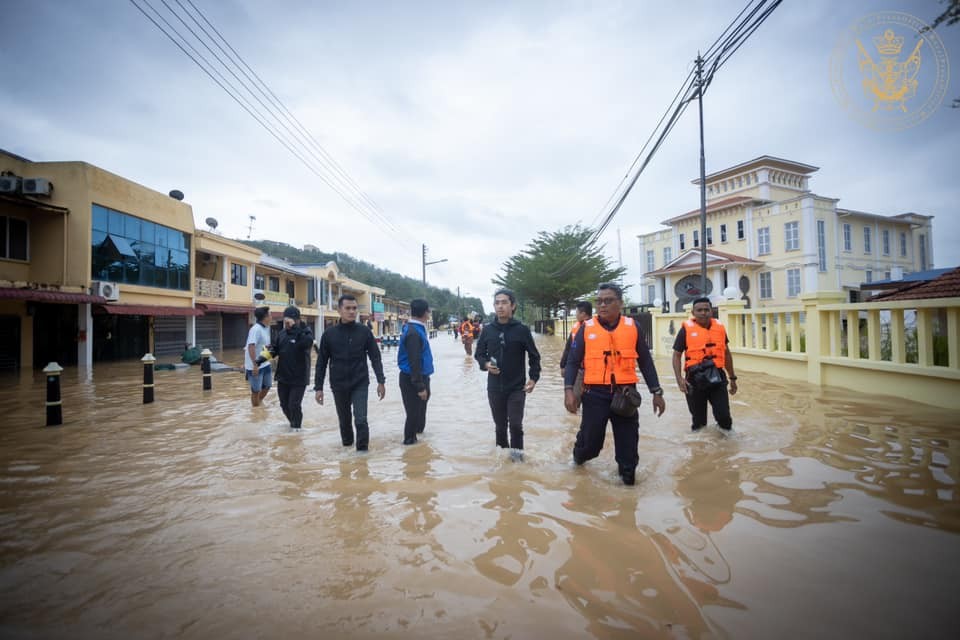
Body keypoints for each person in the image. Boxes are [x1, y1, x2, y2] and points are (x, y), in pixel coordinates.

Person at [563, 283, 666, 486]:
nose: (602, 305)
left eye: (608, 300)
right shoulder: (586, 329)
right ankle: (577, 458)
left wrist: (657, 391)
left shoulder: (633, 327)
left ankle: (627, 493)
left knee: (628, 454)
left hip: (626, 395)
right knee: (591, 445)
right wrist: (569, 391)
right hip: (594, 395)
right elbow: (573, 361)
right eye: (599, 301)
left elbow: (645, 361)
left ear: (619, 303)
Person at [475, 288, 541, 461]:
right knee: (500, 426)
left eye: (504, 302)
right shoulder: (488, 330)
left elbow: (534, 357)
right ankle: (502, 461)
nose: (500, 306)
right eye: (497, 303)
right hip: (495, 387)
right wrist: (486, 364)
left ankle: (517, 460)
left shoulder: (522, 330)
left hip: (517, 387)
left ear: (513, 306)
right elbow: (479, 354)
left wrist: (533, 378)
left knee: (516, 426)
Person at [314, 294, 387, 451]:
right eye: (348, 308)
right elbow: (321, 363)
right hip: (338, 384)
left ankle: (362, 455)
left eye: (354, 308)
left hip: (360, 382)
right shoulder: (329, 334)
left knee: (361, 419)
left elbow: (375, 357)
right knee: (344, 420)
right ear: (339, 310)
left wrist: (381, 381)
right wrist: (318, 387)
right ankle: (347, 452)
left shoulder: (364, 332)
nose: (352, 311)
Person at [671, 297, 738, 432]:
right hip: (694, 378)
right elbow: (676, 355)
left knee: (724, 417)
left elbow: (726, 353)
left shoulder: (719, 328)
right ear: (693, 312)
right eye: (699, 310)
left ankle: (727, 447)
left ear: (711, 311)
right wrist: (679, 379)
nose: (703, 313)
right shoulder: (685, 330)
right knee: (699, 422)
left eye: (706, 310)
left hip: (717, 377)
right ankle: (699, 450)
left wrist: (732, 378)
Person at [397, 298, 434, 445]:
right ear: (426, 313)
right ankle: (409, 443)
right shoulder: (413, 332)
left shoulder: (416, 328)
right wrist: (419, 386)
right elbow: (414, 361)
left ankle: (419, 446)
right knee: (413, 413)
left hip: (419, 376)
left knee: (419, 412)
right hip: (413, 378)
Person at [273, 305, 314, 430]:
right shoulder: (281, 334)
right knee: (284, 404)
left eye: (289, 321)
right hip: (283, 375)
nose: (286, 324)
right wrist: (261, 359)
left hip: (299, 377)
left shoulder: (305, 332)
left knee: (294, 404)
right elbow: (275, 349)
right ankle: (294, 425)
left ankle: (297, 429)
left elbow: (307, 343)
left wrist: (295, 328)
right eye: (285, 321)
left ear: (297, 320)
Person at [559, 301, 593, 398]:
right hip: (578, 369)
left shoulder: (597, 327)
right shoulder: (576, 327)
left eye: (577, 312)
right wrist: (563, 365)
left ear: (583, 314)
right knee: (574, 399)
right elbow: (568, 348)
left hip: (592, 371)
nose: (576, 315)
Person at [244, 306, 273, 407]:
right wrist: (255, 365)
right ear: (265, 317)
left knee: (268, 385)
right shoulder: (255, 329)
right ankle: (255, 410)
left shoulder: (266, 328)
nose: (272, 316)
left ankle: (258, 405)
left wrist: (270, 357)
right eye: (270, 314)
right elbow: (251, 346)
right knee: (256, 390)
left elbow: (265, 346)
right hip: (255, 365)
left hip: (265, 363)